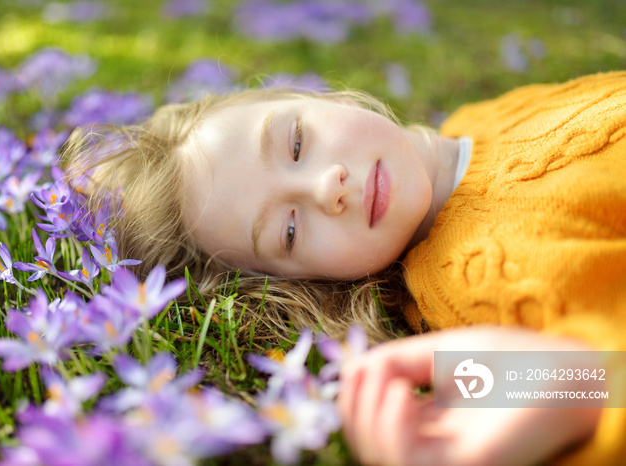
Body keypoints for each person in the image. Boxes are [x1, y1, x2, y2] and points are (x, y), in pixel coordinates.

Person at [63, 71, 626, 464]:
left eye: (297, 141)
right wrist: (569, 385)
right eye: (288, 230)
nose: (324, 188)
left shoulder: (487, 117)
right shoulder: (475, 280)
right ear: (314, 283)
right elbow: (607, 378)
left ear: (330, 99)